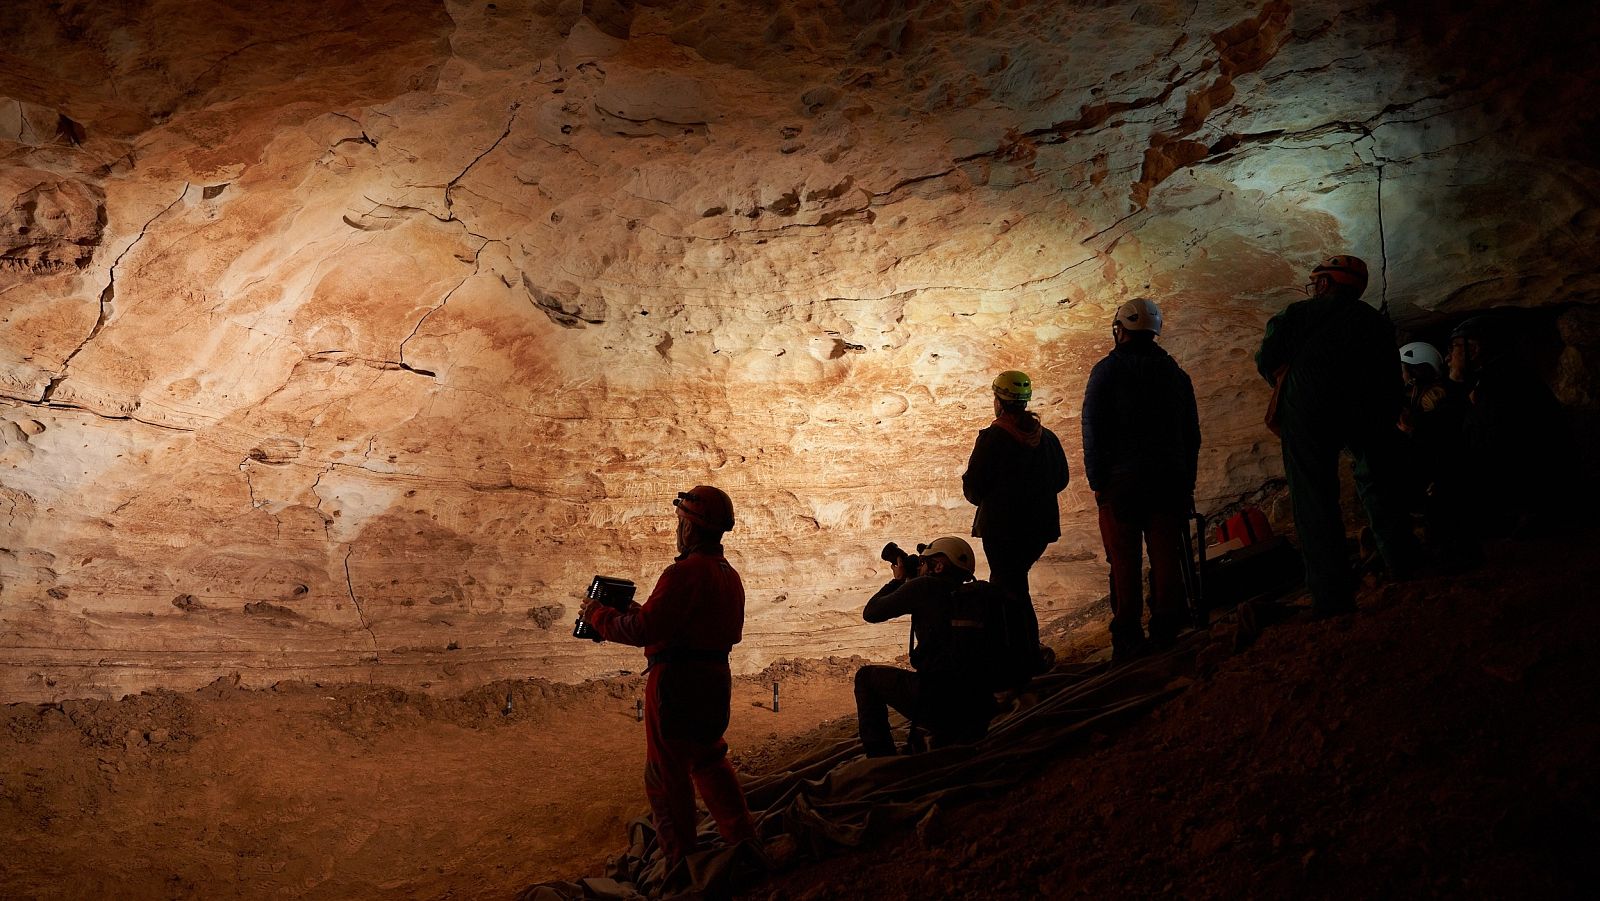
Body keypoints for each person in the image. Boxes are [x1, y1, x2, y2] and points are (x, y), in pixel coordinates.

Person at [582, 485, 755, 867]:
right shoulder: (729, 575)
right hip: (715, 681)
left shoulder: (684, 573)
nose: (677, 530)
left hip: (677, 684)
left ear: (690, 528)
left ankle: (680, 863)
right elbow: (684, 624)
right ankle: (743, 838)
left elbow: (645, 630)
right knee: (709, 760)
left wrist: (598, 615)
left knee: (666, 774)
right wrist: (635, 611)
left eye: (680, 522)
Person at [1256, 254, 1418, 617]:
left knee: (1313, 497)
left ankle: (1331, 595)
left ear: (1326, 283)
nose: (1314, 288)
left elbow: (1267, 357)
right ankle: (1403, 562)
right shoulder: (1375, 322)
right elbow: (1390, 376)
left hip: (1308, 405)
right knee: (1379, 480)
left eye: (1317, 282)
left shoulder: (1297, 314)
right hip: (1365, 405)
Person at [1081, 298, 1201, 660]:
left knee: (1124, 562)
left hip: (1122, 483)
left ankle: (1128, 637)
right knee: (1166, 558)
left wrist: (1098, 482)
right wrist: (1187, 481)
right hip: (1168, 480)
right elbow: (1190, 434)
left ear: (1120, 330)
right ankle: (1166, 630)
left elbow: (1093, 429)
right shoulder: (1175, 375)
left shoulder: (1106, 373)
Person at [854, 537, 1012, 757]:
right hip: (981, 708)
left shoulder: (925, 587)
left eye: (924, 563)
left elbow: (871, 613)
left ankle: (880, 758)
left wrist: (899, 580)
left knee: (865, 678)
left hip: (940, 704)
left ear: (938, 567)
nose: (920, 567)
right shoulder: (979, 595)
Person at [961, 370, 1070, 636]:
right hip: (1039, 529)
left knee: (1008, 589)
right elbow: (1061, 479)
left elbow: (974, 487)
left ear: (999, 401)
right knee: (1015, 584)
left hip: (1002, 531)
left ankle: (1021, 650)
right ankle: (1023, 649)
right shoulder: (1047, 438)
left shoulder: (993, 438)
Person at [1446, 314, 1572, 538]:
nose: (1448, 357)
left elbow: (1484, 444)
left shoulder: (1499, 385)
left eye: (1455, 347)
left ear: (1473, 349)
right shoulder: (1506, 376)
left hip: (1528, 497)